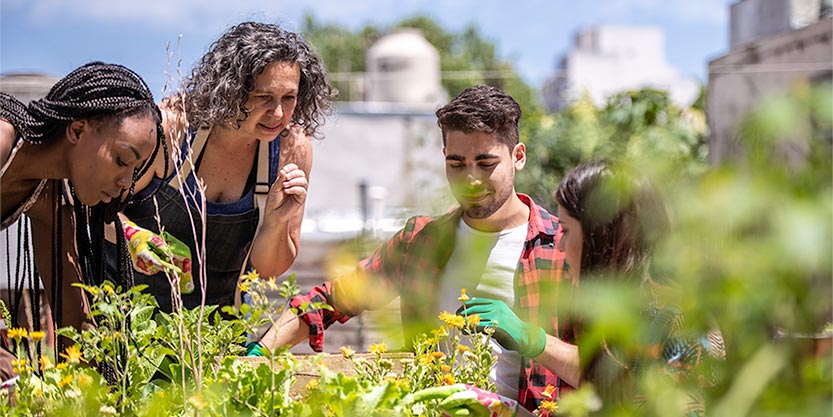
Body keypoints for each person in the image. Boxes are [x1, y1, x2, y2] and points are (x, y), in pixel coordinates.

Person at [257, 85, 580, 413]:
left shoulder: (562, 246)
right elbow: (329, 300)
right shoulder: (421, 242)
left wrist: (534, 340)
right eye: (457, 164)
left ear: (518, 157)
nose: (470, 179)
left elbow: (611, 372)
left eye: (486, 164)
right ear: (444, 159)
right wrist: (257, 353)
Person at [424, 160, 723, 416]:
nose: (562, 246)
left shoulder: (673, 325)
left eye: (567, 230)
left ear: (600, 235)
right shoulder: (626, 314)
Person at [105, 22, 336, 312]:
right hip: (128, 315)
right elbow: (93, 208)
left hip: (218, 330)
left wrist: (277, 221)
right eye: (263, 98)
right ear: (231, 89)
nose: (278, 113)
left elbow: (268, 271)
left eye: (288, 98)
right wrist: (133, 236)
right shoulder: (171, 129)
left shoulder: (292, 149)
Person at [0, 61, 165, 381]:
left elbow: (72, 321)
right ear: (77, 130)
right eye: (122, 160)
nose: (125, 183)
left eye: (134, 171)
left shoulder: (50, 195)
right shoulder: (2, 139)